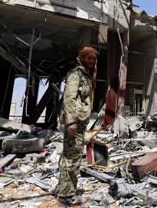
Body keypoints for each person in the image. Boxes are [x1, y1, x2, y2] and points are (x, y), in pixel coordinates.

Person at [56, 46, 98, 204]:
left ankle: (66, 190)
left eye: (94, 59)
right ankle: (66, 196)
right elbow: (69, 98)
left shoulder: (86, 76)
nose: (92, 61)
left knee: (72, 157)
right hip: (75, 123)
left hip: (80, 123)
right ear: (81, 58)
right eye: (89, 58)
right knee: (72, 158)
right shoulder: (75, 74)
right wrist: (71, 121)